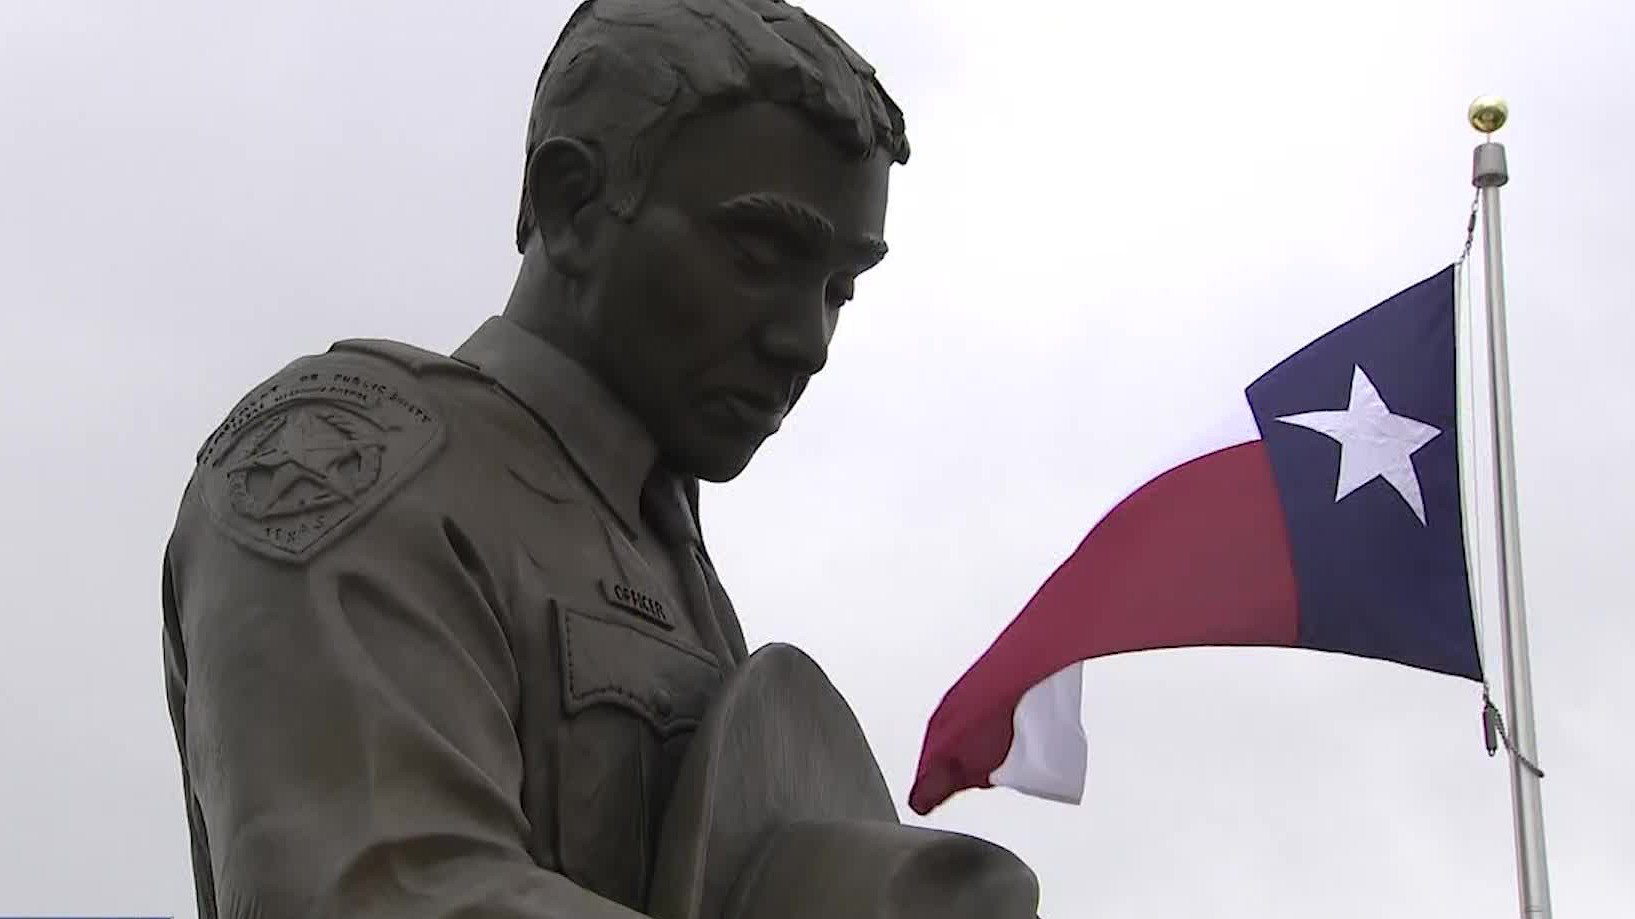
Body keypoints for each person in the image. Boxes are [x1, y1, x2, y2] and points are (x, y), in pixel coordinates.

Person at [160, 1, 913, 917]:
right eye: (757, 253)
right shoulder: (346, 459)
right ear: (572, 203)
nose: (808, 341)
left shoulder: (666, 554)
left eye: (839, 288)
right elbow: (377, 889)